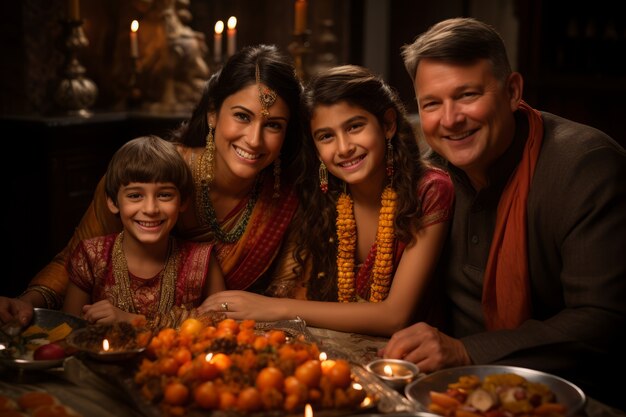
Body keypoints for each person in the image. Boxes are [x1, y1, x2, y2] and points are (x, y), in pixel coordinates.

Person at [378, 17, 626, 411]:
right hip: (449, 392)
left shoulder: (585, 165)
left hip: (569, 397)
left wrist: (464, 351)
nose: (450, 119)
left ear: (512, 91)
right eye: (431, 104)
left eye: (467, 95)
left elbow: (602, 320)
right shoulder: (430, 177)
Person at [0, 44, 304, 326]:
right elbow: (76, 259)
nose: (254, 139)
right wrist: (27, 301)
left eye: (273, 125)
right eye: (241, 116)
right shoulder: (150, 176)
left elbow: (280, 301)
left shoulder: (286, 200)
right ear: (213, 115)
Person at [198, 65, 454, 337]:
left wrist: (275, 308)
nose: (343, 148)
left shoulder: (429, 190)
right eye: (326, 136)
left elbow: (394, 317)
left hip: (411, 358)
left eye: (355, 127)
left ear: (388, 124)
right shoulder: (324, 195)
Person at [61, 135, 224, 327]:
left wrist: (134, 322)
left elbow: (221, 326)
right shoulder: (91, 257)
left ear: (183, 202)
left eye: (164, 195)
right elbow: (70, 334)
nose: (150, 209)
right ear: (113, 202)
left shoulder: (201, 260)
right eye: (135, 195)